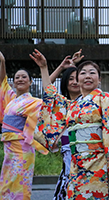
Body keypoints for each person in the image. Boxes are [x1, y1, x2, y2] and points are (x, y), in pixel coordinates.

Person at [31, 49, 109, 200]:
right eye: (83, 73)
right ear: (77, 79)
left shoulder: (104, 98)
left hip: (98, 161)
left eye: (92, 73)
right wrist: (43, 67)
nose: (87, 76)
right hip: (76, 163)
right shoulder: (72, 105)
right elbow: (50, 94)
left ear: (99, 79)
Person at [0, 51, 48, 200]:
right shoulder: (11, 99)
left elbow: (49, 98)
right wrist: (2, 60)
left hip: (22, 148)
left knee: (21, 185)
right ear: (13, 82)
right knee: (6, 185)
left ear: (30, 82)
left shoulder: (35, 102)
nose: (20, 79)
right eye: (17, 77)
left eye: (24, 77)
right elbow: (2, 79)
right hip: (9, 148)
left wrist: (48, 68)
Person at [48, 49, 83, 200]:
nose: (74, 82)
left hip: (86, 152)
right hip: (67, 151)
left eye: (77, 78)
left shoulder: (91, 101)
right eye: (70, 79)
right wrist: (63, 68)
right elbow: (47, 88)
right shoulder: (61, 103)